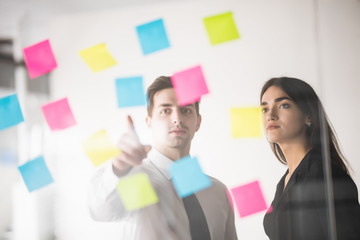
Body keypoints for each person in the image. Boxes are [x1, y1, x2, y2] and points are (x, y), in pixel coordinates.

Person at [88, 76, 237, 240]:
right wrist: (120, 168)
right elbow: (101, 210)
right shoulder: (136, 180)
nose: (177, 119)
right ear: (149, 122)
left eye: (186, 110)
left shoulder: (219, 192)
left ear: (198, 122)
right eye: (165, 111)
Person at [261, 77, 360, 240]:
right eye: (264, 109)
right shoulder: (284, 182)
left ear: (309, 116)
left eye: (283, 105)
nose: (270, 115)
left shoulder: (323, 174)